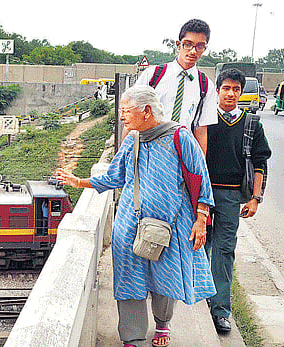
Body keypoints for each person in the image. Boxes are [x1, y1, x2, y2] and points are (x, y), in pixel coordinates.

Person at [57, 85, 216, 347]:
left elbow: (201, 178)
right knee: (129, 280)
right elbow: (115, 177)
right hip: (130, 225)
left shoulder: (180, 137)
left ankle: (162, 324)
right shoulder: (132, 140)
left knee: (166, 278)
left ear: (147, 111)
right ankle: (133, 337)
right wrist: (79, 182)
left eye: (125, 110)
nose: (122, 116)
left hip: (171, 226)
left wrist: (201, 221)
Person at [205, 69, 272, 334]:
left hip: (231, 197)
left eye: (236, 89)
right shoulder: (205, 120)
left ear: (241, 92)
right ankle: (195, 298)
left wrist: (255, 198)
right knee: (198, 246)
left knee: (223, 251)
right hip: (201, 194)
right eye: (226, 88)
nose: (231, 94)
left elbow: (260, 162)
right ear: (217, 90)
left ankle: (221, 310)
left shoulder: (251, 124)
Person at [133, 19, 217, 154]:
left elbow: (201, 129)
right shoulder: (153, 75)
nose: (193, 51)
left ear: (205, 48)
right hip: (149, 149)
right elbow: (133, 114)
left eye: (200, 46)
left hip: (182, 152)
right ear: (178, 45)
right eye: (188, 44)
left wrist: (199, 167)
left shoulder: (206, 85)